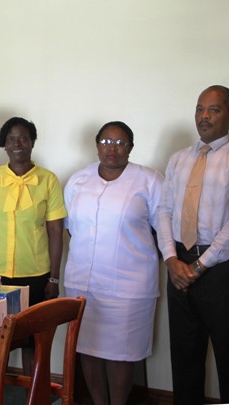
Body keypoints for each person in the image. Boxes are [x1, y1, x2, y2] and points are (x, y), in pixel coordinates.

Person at [157, 85, 229, 404]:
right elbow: (164, 210)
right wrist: (171, 259)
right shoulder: (178, 159)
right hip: (179, 263)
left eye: (214, 110)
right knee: (184, 354)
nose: (204, 117)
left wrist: (200, 266)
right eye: (199, 109)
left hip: (221, 268)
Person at [63, 121, 164, 405]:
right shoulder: (78, 180)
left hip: (129, 287)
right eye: (106, 142)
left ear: (131, 147)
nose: (112, 149)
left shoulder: (150, 180)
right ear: (97, 145)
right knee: (88, 348)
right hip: (83, 281)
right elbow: (72, 226)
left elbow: (164, 229)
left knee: (122, 353)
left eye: (120, 143)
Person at [0, 116, 65, 373]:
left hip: (34, 275)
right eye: (11, 139)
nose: (17, 144)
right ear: (4, 144)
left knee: (32, 343)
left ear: (32, 142)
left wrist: (54, 279)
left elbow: (56, 231)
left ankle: (32, 396)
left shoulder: (48, 180)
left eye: (23, 138)